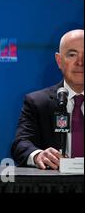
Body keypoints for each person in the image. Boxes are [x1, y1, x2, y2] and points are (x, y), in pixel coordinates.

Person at [11, 29, 84, 169]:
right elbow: (21, 143)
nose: (80, 62)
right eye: (72, 54)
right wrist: (39, 155)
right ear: (59, 61)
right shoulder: (37, 102)